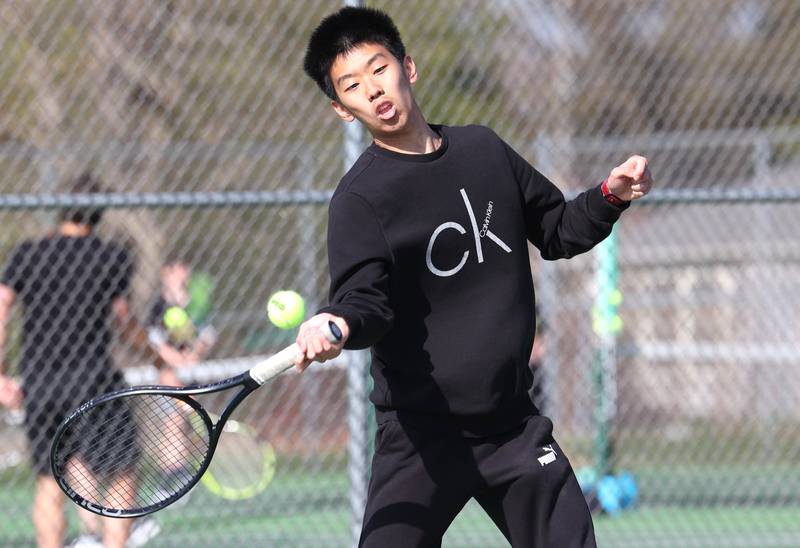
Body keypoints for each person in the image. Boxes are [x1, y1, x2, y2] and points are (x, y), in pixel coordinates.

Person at [297, 7, 653, 547]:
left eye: (379, 68)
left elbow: (557, 230)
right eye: (351, 85)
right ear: (341, 109)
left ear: (407, 67)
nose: (372, 89)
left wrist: (610, 196)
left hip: (511, 425)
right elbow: (364, 301)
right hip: (419, 436)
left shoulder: (484, 150)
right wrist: (338, 323)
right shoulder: (359, 200)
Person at [0, 173, 149, 548]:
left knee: (49, 482)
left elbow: (2, 305)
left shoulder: (28, 254)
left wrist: (1, 376)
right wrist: (157, 356)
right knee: (121, 473)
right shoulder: (112, 257)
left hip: (40, 385)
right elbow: (124, 321)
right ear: (99, 215)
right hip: (94, 383)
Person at [146, 258, 217, 386]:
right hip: (168, 366)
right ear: (166, 275)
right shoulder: (159, 305)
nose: (183, 275)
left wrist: (194, 354)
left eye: (184, 270)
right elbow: (154, 338)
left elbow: (207, 333)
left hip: (193, 361)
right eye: (176, 272)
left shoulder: (195, 303)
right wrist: (174, 358)